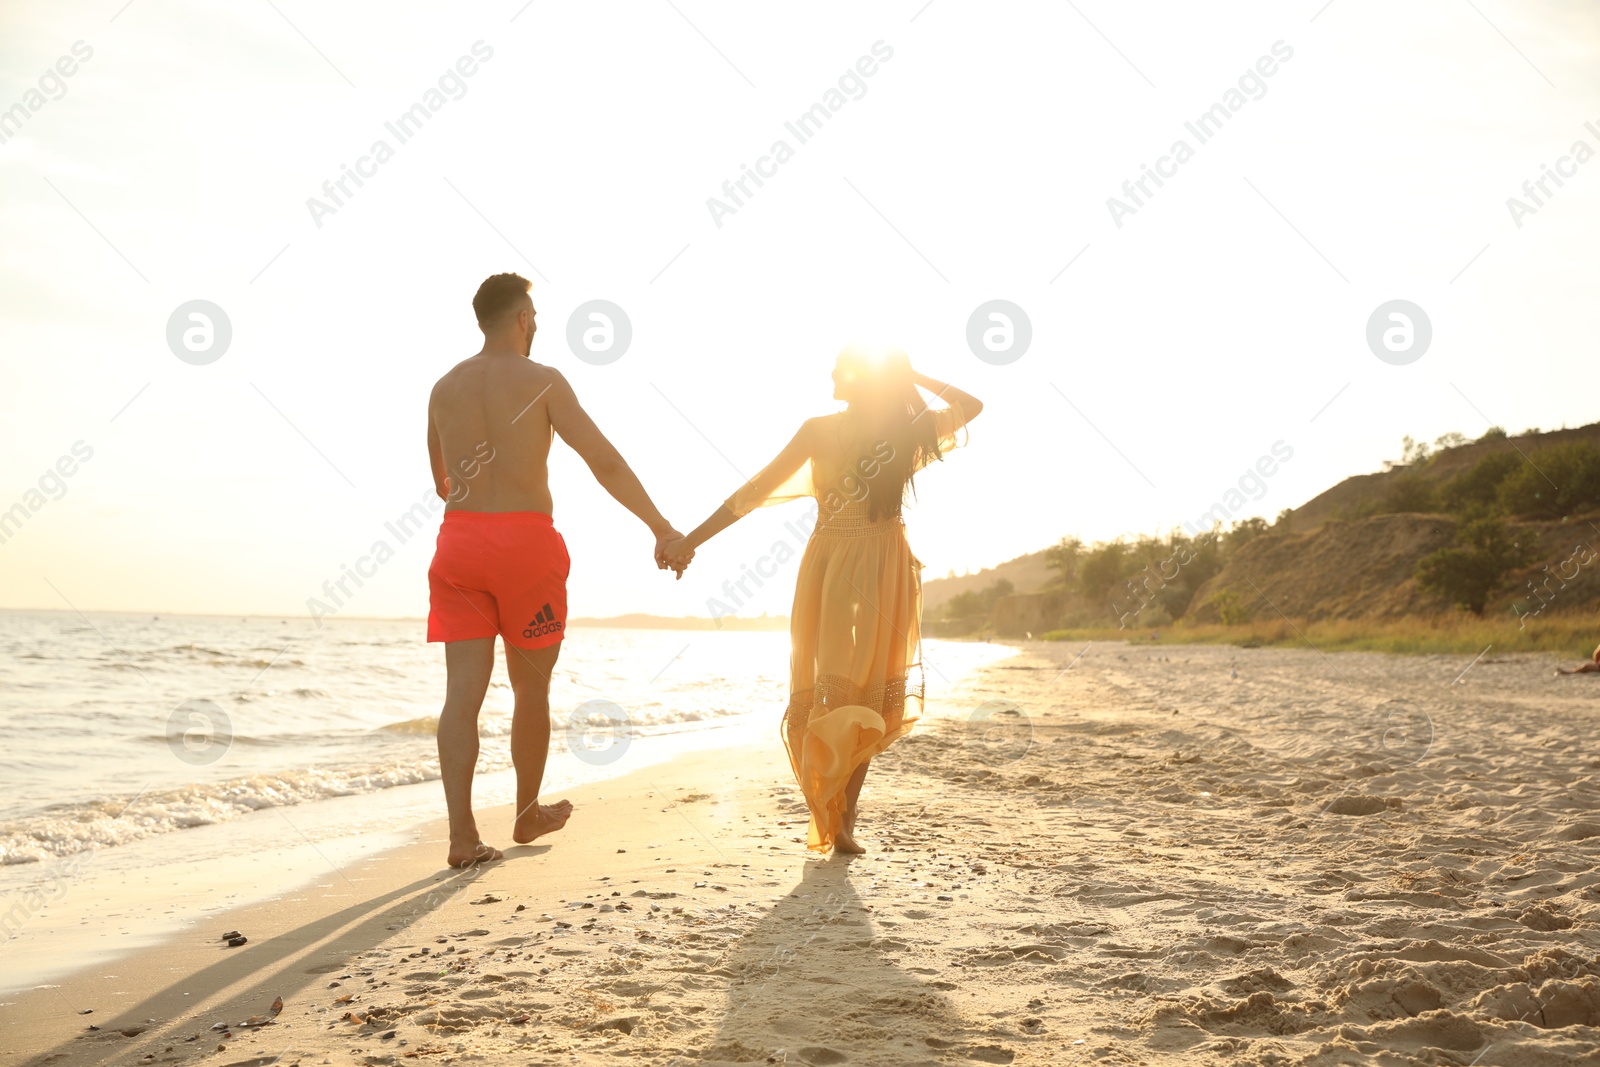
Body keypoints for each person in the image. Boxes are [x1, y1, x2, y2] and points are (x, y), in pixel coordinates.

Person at [663, 349, 980, 854]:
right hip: (837, 568)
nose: (832, 374)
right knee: (836, 690)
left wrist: (910, 374)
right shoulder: (821, 429)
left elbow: (972, 405)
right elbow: (756, 490)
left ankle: (846, 815)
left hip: (879, 567)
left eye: (842, 369)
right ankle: (829, 807)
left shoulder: (905, 432)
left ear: (866, 380)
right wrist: (693, 540)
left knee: (871, 691)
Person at [426, 273, 686, 869]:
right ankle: (525, 815)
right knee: (530, 687)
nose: (536, 324)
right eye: (534, 315)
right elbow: (605, 461)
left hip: (459, 544)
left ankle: (462, 837)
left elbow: (441, 481)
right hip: (524, 546)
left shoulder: (443, 388)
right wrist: (661, 528)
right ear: (521, 318)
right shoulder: (543, 381)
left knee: (460, 695)